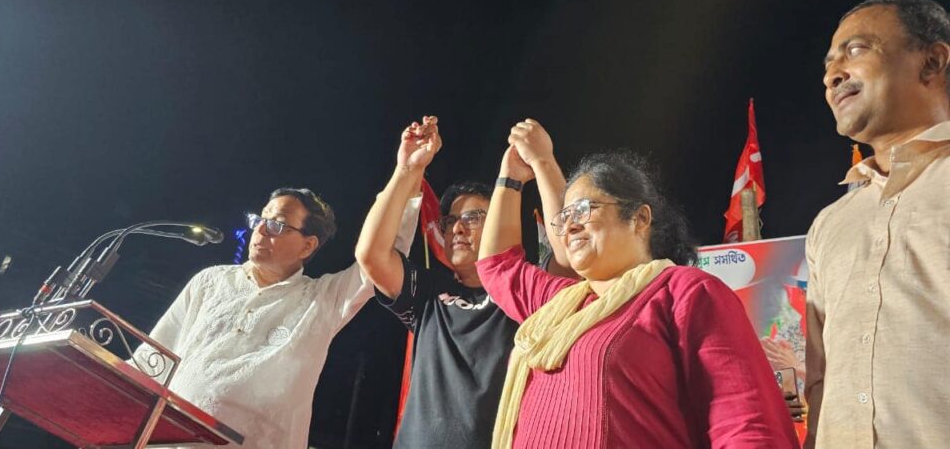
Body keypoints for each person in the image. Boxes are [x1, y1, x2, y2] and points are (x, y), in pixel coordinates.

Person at [476, 121, 798, 448]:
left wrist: (545, 163)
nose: (569, 225)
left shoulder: (683, 291)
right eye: (564, 216)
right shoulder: (559, 306)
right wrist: (510, 178)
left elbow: (746, 423)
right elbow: (497, 266)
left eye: (584, 209)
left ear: (640, 218)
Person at [135, 187, 419, 448]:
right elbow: (153, 359)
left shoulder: (322, 300)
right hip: (165, 440)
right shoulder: (211, 281)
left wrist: (408, 174)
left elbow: (381, 257)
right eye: (260, 219)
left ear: (308, 246)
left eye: (277, 224)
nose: (260, 229)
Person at [808, 0, 950, 448]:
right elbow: (820, 378)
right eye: (829, 64)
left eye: (856, 50)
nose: (832, 75)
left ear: (932, 62)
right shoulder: (830, 224)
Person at [355, 116, 520, 448]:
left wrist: (533, 169)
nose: (457, 228)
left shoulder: (524, 293)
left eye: (473, 218)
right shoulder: (429, 292)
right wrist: (407, 169)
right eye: (450, 221)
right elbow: (371, 254)